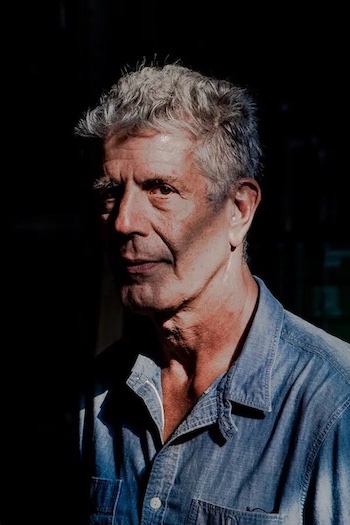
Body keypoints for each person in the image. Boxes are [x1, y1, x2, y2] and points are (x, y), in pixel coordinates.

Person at [74, 58, 350, 525]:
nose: (123, 222)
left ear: (239, 209)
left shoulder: (332, 405)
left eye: (160, 189)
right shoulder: (99, 397)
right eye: (110, 194)